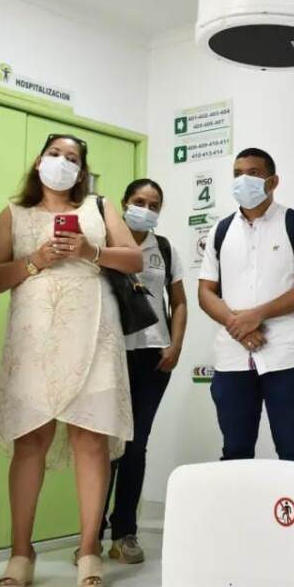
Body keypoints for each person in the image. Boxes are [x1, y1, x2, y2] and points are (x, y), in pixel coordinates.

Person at [0, 134, 142, 587]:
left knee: (91, 440)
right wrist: (34, 261)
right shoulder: (14, 213)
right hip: (33, 338)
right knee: (30, 439)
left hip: (93, 333)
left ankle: (89, 548)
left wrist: (89, 252)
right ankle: (20, 551)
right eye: (55, 154)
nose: (62, 163)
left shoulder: (98, 207)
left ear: (82, 170)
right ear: (38, 162)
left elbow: (133, 257)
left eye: (72, 158)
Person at [198, 148, 294, 463]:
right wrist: (238, 326)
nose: (244, 180)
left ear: (273, 181)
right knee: (235, 451)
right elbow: (205, 292)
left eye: (253, 173)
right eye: (237, 173)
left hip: (286, 355)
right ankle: (240, 500)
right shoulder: (220, 230)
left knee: (292, 448)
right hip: (232, 358)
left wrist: (258, 315)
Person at [98, 178, 188, 564]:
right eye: (139, 201)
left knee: (135, 445)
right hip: (110, 353)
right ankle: (90, 534)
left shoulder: (164, 248)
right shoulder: (103, 243)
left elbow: (179, 302)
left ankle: (125, 533)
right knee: (104, 446)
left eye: (154, 205)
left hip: (153, 356)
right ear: (123, 203)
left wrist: (176, 344)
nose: (145, 210)